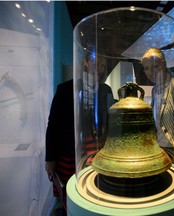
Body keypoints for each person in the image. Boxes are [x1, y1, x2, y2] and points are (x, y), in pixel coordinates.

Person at [45, 54, 114, 213]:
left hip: (98, 152)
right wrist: (50, 158)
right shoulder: (66, 89)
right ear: (85, 63)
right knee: (71, 193)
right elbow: (53, 125)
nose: (99, 69)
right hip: (70, 152)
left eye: (102, 66)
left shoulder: (106, 89)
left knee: (95, 192)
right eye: (95, 64)